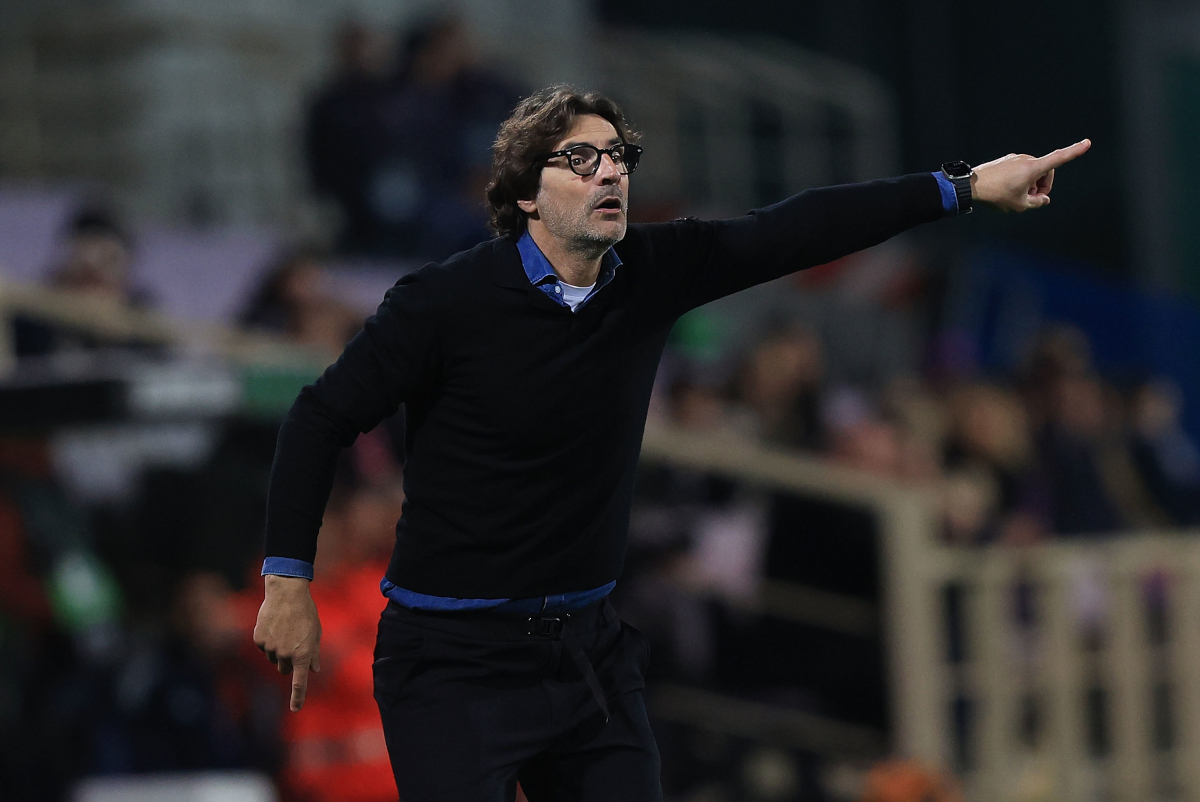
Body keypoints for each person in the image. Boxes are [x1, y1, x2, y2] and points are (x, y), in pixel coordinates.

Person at [253, 85, 1089, 800]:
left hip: (586, 651)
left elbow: (798, 228)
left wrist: (966, 186)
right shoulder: (442, 303)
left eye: (618, 155)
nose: (611, 169)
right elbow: (318, 417)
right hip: (451, 662)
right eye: (581, 159)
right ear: (526, 194)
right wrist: (288, 582)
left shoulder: (655, 269)